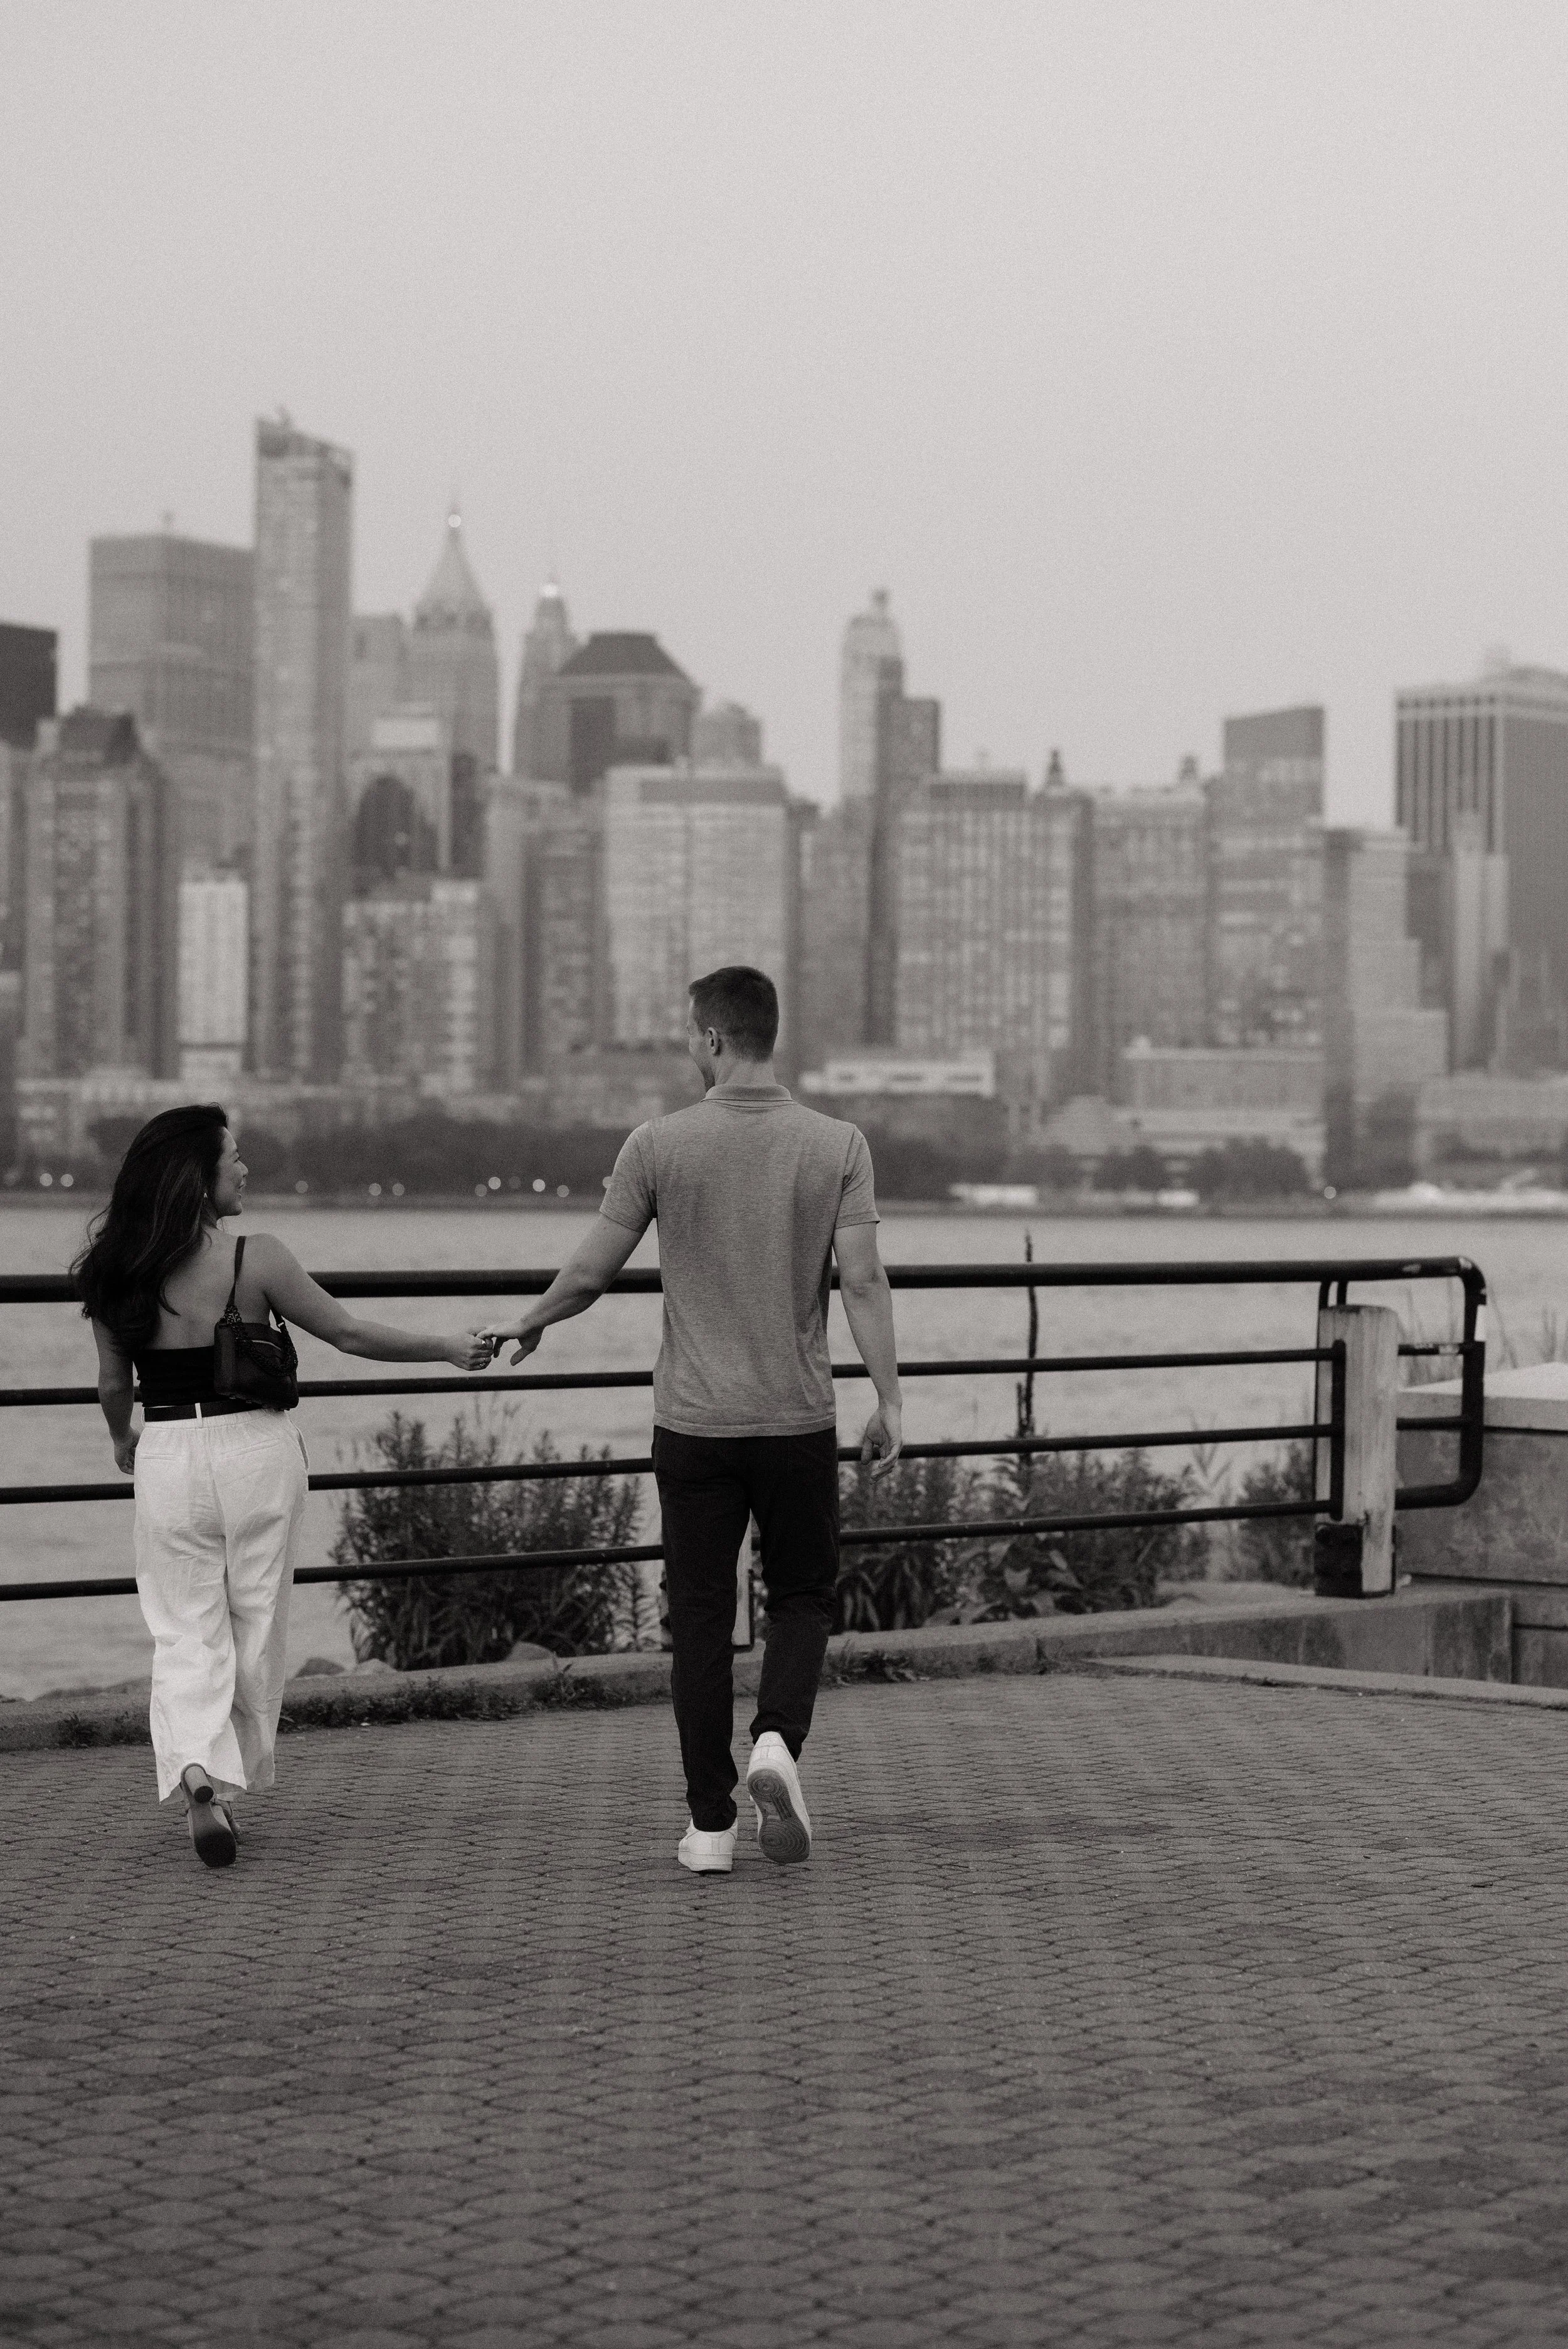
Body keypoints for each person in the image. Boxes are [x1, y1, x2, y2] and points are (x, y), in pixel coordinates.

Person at [480, 965, 902, 1874]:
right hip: (796, 1418)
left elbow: (591, 1272)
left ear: (714, 1039)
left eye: (689, 1036)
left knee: (702, 1620)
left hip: (696, 1426)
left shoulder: (658, 1144)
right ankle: (777, 1744)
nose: (688, 1049)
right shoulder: (838, 1144)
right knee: (800, 1598)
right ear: (770, 1035)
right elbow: (863, 1279)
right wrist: (890, 1396)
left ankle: (710, 1828)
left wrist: (529, 1321)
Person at [76, 1105, 490, 1869]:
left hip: (167, 1446)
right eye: (233, 1158)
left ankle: (197, 1767)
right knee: (255, 1620)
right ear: (199, 1181)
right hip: (255, 1449)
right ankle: (222, 1784)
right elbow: (349, 1333)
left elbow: (112, 1385)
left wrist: (122, 1440)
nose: (244, 1169)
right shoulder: (254, 1258)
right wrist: (446, 1346)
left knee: (182, 1625)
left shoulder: (113, 1269)